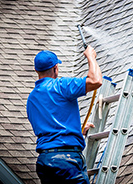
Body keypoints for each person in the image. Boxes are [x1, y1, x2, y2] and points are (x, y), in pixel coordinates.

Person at [26, 45, 102, 184]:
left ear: (36, 70)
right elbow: (95, 81)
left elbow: (49, 127)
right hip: (67, 160)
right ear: (56, 68)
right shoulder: (61, 86)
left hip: (44, 162)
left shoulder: (31, 99)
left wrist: (76, 131)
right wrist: (91, 56)